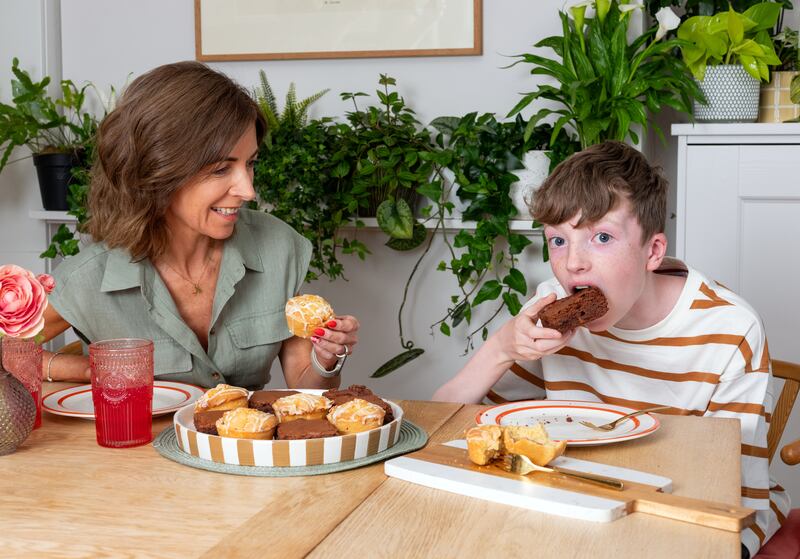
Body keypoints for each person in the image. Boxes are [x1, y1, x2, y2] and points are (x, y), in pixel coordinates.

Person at [433, 141, 788, 557]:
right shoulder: (549, 311)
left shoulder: (727, 328)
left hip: (694, 509)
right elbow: (443, 428)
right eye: (558, 241)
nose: (573, 263)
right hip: (579, 501)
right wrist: (501, 347)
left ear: (652, 251)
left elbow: (736, 490)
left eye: (601, 236)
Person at [40, 61, 358, 390]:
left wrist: (326, 357)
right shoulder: (88, 279)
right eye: (221, 169)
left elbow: (307, 390)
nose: (248, 190)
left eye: (250, 163)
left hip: (238, 442)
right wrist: (83, 370)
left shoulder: (277, 246)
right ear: (158, 170)